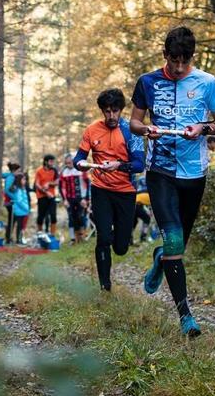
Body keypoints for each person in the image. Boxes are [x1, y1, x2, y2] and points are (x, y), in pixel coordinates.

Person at [130, 26, 215, 337]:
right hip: (160, 172)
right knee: (172, 239)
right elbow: (133, 122)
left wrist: (203, 128)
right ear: (165, 55)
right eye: (173, 60)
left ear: (192, 57)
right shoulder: (147, 82)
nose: (178, 67)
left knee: (177, 245)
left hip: (194, 175)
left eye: (184, 61)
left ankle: (160, 258)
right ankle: (186, 316)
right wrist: (147, 131)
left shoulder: (207, 83)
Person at [73, 88, 145, 291]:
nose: (111, 115)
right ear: (102, 111)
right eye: (107, 111)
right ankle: (105, 285)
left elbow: (139, 165)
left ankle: (117, 236)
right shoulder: (92, 130)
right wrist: (81, 164)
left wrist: (119, 165)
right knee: (103, 238)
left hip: (125, 192)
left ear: (121, 110)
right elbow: (78, 158)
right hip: (101, 189)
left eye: (115, 111)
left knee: (121, 248)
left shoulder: (131, 130)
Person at [59, 154, 90, 243]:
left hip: (81, 198)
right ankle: (73, 238)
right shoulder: (64, 173)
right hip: (69, 199)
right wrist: (64, 200)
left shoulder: (81, 170)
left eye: (70, 162)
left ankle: (82, 236)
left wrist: (86, 198)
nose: (69, 164)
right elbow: (62, 188)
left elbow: (87, 185)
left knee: (81, 217)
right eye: (67, 163)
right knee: (71, 218)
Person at [34, 155, 59, 236]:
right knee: (41, 216)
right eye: (51, 161)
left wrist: (49, 183)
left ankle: (52, 235)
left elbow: (57, 182)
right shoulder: (39, 171)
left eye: (53, 161)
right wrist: (45, 192)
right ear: (46, 162)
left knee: (53, 216)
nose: (52, 163)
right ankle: (40, 234)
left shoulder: (54, 170)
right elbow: (37, 184)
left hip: (52, 197)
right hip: (42, 197)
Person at [6, 172, 31, 245]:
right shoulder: (18, 190)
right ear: (19, 180)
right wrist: (27, 208)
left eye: (25, 180)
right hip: (19, 211)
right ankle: (16, 240)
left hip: (22, 211)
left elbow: (25, 199)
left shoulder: (23, 189)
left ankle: (18, 239)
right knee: (18, 226)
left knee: (20, 226)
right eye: (23, 180)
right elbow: (19, 201)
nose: (25, 181)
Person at [2, 162, 22, 243]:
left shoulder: (11, 176)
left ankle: (9, 238)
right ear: (14, 171)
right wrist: (15, 198)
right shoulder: (10, 178)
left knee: (12, 220)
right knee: (12, 220)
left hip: (12, 202)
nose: (19, 173)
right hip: (10, 202)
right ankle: (8, 239)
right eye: (18, 171)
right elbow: (7, 191)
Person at [133, 173, 153, 244]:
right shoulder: (151, 192)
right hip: (138, 204)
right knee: (147, 218)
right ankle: (143, 237)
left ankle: (129, 239)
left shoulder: (139, 180)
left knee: (134, 221)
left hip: (134, 203)